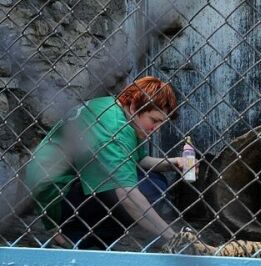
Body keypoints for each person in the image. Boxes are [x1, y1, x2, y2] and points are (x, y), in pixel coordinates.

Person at [25, 76, 186, 249]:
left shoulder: (115, 109)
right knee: (150, 188)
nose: (156, 129)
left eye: (162, 123)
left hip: (64, 181)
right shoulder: (114, 129)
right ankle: (77, 238)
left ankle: (84, 237)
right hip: (57, 193)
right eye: (154, 121)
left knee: (155, 180)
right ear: (133, 107)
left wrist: (174, 162)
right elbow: (127, 195)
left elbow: (140, 159)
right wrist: (173, 236)